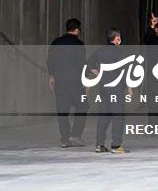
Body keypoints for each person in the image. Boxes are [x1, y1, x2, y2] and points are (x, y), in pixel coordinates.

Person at [46, 18, 86, 148]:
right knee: (82, 107)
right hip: (75, 82)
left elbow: (50, 60)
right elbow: (81, 64)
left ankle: (65, 139)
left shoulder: (56, 42)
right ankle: (75, 135)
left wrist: (52, 75)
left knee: (62, 110)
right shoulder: (79, 45)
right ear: (77, 30)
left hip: (60, 81)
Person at [88, 28, 130, 153]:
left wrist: (100, 75)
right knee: (118, 116)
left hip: (104, 88)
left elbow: (89, 64)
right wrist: (129, 87)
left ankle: (99, 145)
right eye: (119, 37)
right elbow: (125, 71)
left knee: (103, 117)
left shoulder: (100, 51)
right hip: (116, 88)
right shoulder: (120, 52)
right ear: (116, 38)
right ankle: (116, 145)